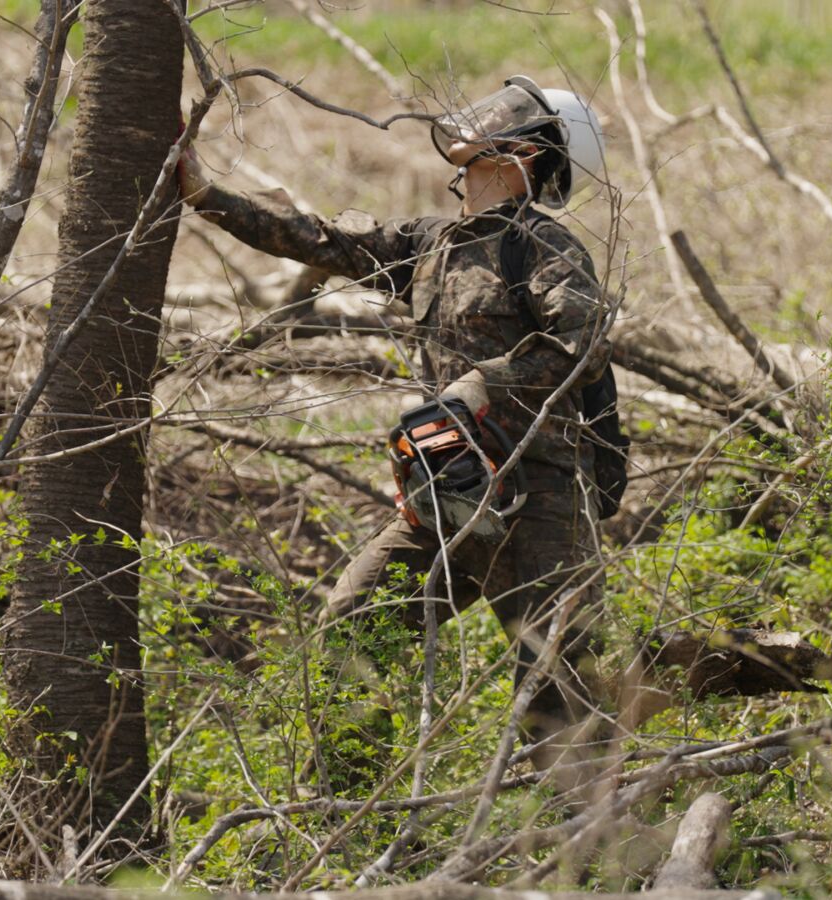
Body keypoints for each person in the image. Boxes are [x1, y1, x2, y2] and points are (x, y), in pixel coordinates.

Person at [179, 75, 613, 767]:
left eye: (501, 117)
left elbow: (585, 344)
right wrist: (207, 196)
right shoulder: (430, 241)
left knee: (559, 689)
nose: (474, 120)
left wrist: (483, 382)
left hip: (542, 499)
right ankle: (357, 815)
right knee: (356, 628)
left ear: (526, 152)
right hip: (451, 490)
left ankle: (592, 852)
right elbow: (321, 240)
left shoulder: (541, 246)